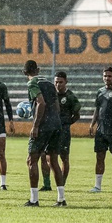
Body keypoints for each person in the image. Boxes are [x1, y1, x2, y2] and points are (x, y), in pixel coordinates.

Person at [23, 60, 65, 207]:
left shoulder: (32, 84)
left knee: (31, 160)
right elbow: (57, 105)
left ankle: (34, 199)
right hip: (56, 125)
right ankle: (61, 199)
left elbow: (41, 103)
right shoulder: (49, 83)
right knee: (53, 161)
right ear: (38, 69)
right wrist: (55, 122)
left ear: (24, 73)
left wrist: (35, 126)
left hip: (43, 126)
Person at [53, 71, 80, 186]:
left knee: (64, 157)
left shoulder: (71, 97)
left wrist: (66, 123)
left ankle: (62, 182)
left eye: (61, 82)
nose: (58, 85)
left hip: (63, 131)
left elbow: (77, 114)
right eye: (56, 82)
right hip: (52, 130)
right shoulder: (51, 94)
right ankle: (49, 182)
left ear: (66, 82)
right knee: (49, 157)